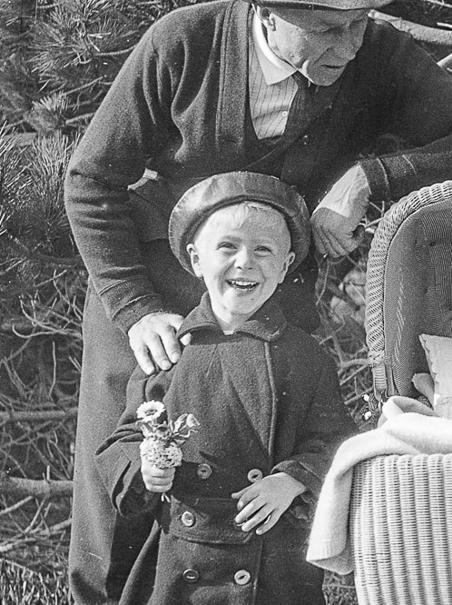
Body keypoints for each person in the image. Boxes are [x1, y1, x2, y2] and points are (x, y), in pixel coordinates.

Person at [62, 0, 452, 601]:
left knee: (272, 490)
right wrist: (133, 308)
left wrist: (375, 173)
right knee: (122, 491)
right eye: (326, 28)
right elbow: (89, 180)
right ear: (267, 14)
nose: (349, 44)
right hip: (153, 297)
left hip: (277, 307)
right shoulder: (182, 43)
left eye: (359, 22)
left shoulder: (379, 55)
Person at [95, 172, 358, 604]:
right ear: (197, 260)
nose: (244, 262)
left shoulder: (305, 357)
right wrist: (145, 467)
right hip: (181, 556)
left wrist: (292, 481)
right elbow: (121, 440)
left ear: (286, 266)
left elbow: (337, 441)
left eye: (263, 250)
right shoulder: (170, 351)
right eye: (228, 247)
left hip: (269, 558)